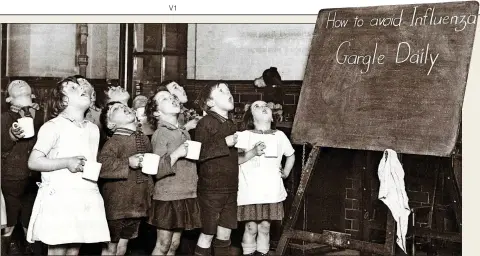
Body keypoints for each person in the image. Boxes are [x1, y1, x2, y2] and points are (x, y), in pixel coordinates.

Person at [26, 75, 110, 255]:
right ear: (63, 100)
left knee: (74, 250)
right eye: (72, 88)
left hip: (85, 194)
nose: (81, 88)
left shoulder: (93, 129)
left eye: (80, 86)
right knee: (58, 250)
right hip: (61, 197)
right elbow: (33, 161)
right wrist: (67, 162)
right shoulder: (53, 126)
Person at [98, 101, 165, 255]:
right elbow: (103, 167)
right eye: (116, 109)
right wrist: (128, 162)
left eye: (125, 106)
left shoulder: (144, 138)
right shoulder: (113, 142)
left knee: (123, 244)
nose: (124, 107)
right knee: (110, 246)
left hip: (137, 203)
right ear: (110, 124)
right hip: (117, 205)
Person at [145, 88, 202, 255]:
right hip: (168, 197)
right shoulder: (161, 133)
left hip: (185, 194)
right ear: (156, 112)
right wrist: (177, 153)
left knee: (174, 244)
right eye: (164, 98)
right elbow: (157, 168)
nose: (172, 98)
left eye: (172, 96)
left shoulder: (183, 132)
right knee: (163, 244)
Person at [236, 101, 295, 256]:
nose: (263, 107)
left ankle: (262, 252)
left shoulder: (279, 135)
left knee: (264, 227)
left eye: (266, 106)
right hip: (250, 191)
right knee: (251, 227)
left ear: (273, 118)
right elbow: (236, 159)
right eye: (257, 106)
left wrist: (286, 172)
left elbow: (291, 155)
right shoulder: (244, 136)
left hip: (271, 191)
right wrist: (253, 152)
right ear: (250, 117)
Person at [193, 81, 239, 256]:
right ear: (210, 102)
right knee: (208, 232)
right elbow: (200, 152)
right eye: (221, 91)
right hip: (211, 189)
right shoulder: (205, 123)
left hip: (230, 187)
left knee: (225, 232)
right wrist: (224, 143)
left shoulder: (230, 124)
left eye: (229, 90)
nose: (229, 93)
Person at [1, 80, 44, 255]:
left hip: (35, 177)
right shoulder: (3, 118)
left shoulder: (41, 115)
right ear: (9, 99)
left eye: (23, 84)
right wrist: (11, 135)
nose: (19, 82)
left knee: (31, 219)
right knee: (8, 220)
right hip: (11, 176)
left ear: (32, 95)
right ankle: (6, 247)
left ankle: (29, 249)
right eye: (15, 85)